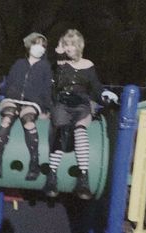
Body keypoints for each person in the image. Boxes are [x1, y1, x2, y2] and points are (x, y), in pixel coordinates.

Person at [43, 29, 118, 199]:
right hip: (63, 102)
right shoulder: (61, 64)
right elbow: (58, 72)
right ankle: (51, 176)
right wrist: (59, 54)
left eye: (72, 45)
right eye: (66, 45)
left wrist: (105, 95)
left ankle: (83, 178)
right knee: (61, 130)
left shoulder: (88, 65)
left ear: (79, 46)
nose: (69, 48)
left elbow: (96, 88)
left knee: (80, 129)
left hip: (81, 104)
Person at [0, 32, 52, 181]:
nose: (40, 48)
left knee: (29, 122)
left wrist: (46, 108)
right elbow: (8, 82)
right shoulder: (19, 63)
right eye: (37, 44)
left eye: (43, 46)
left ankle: (34, 164)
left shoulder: (45, 66)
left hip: (31, 102)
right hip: (12, 99)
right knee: (7, 119)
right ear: (29, 45)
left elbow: (46, 89)